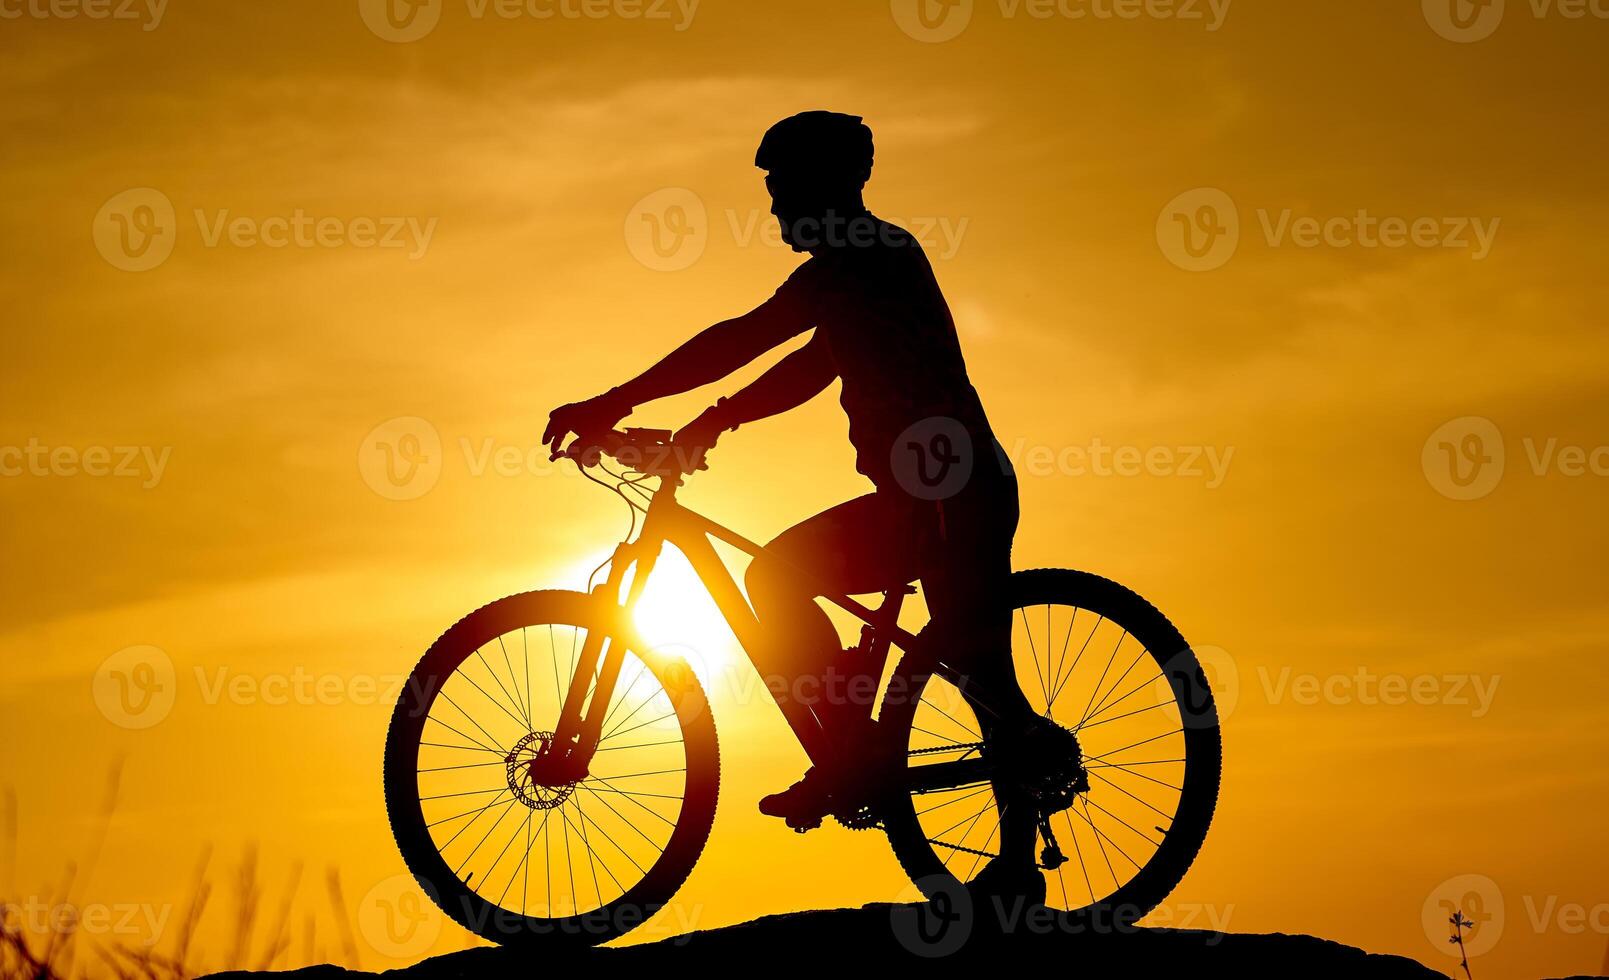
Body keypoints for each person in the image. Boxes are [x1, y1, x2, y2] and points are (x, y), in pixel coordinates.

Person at [543, 110, 1044, 900]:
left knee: (953, 656)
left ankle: (950, 820)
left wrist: (611, 401)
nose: (774, 207)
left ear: (826, 186)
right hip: (939, 488)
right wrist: (710, 422)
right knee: (948, 652)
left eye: (783, 189)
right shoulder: (857, 271)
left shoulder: (860, 257)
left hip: (955, 492)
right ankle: (852, 752)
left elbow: (740, 339)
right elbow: (807, 367)